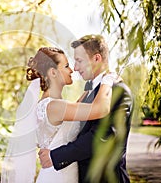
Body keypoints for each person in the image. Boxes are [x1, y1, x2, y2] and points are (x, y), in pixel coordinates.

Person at [1, 46, 120, 183]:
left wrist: (91, 86)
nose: (71, 70)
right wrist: (108, 80)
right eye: (66, 66)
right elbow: (100, 109)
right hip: (59, 177)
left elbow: (73, 112)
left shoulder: (53, 105)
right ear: (53, 72)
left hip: (59, 173)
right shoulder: (54, 106)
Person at [39, 35, 133, 183]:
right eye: (70, 64)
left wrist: (55, 156)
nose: (75, 68)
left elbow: (100, 137)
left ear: (96, 58)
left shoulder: (117, 90)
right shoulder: (94, 91)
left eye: (79, 61)